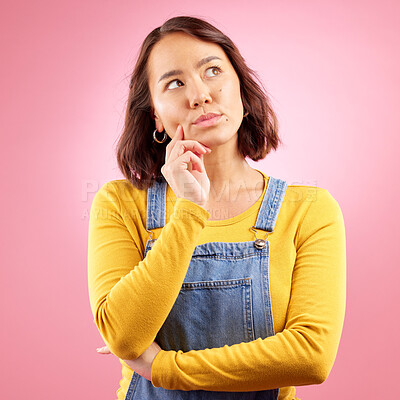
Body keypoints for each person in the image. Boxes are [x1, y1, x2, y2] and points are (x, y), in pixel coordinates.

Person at [87, 15, 346, 400]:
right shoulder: (119, 203)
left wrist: (165, 368)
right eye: (174, 83)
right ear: (155, 116)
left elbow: (310, 358)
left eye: (212, 71)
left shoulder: (309, 210)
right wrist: (191, 209)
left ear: (240, 87)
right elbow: (124, 336)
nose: (200, 94)